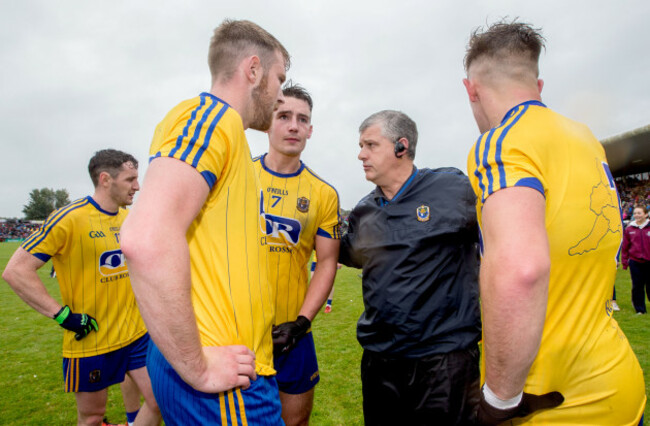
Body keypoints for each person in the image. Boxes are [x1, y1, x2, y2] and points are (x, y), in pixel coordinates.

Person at [463, 20, 646, 424]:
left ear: (470, 89)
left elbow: (522, 270)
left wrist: (498, 399)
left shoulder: (501, 142)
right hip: (617, 381)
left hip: (551, 400)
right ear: (538, 86)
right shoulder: (585, 138)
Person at [120, 19, 290, 425]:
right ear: (253, 70)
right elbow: (145, 239)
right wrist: (196, 366)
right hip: (221, 372)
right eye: (279, 79)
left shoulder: (224, 131)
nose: (281, 94)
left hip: (218, 360)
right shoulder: (212, 119)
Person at [339, 110, 482, 425]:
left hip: (444, 361)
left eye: (370, 145)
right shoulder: (363, 211)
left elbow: (501, 239)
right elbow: (345, 254)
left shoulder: (452, 189)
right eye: (361, 145)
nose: (360, 154)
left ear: (401, 147)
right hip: (381, 361)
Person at [2, 149, 160, 426]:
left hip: (136, 335)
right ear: (105, 179)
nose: (137, 186)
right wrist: (62, 315)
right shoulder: (68, 218)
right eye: (130, 179)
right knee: (92, 418)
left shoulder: (127, 219)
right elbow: (16, 271)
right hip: (92, 341)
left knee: (159, 402)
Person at [252, 83, 341, 425]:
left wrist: (301, 324)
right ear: (267, 123)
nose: (293, 125)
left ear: (310, 130)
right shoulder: (237, 177)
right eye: (284, 116)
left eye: (302, 119)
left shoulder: (323, 194)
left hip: (293, 332)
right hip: (239, 330)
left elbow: (327, 262)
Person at [622, 205, 650, 314]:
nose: (637, 215)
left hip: (649, 261)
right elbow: (625, 247)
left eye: (639, 213)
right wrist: (624, 262)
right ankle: (640, 309)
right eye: (635, 213)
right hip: (635, 262)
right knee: (637, 286)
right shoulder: (629, 229)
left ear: (646, 214)